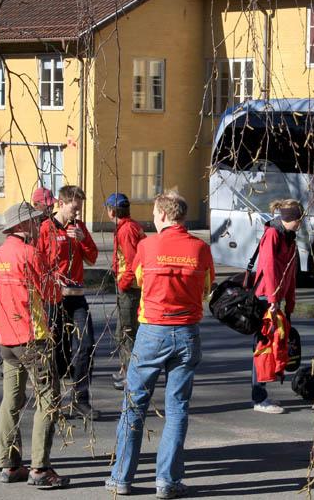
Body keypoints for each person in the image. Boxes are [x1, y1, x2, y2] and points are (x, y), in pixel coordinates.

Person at [106, 191, 214, 498]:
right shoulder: (200, 248)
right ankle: (167, 481)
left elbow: (134, 279)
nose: (152, 219)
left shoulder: (147, 245)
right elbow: (207, 285)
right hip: (187, 330)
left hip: (152, 330)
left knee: (134, 403)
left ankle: (121, 478)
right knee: (177, 407)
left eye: (154, 214)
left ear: (164, 215)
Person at [0, 202, 69, 488]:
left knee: (11, 401)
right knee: (48, 398)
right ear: (21, 226)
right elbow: (51, 294)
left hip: (6, 338)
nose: (38, 226)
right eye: (34, 222)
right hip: (32, 336)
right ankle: (40, 467)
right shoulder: (30, 254)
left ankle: (9, 464)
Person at [37, 185, 99, 420]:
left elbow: (92, 258)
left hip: (77, 297)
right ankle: (51, 400)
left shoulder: (80, 227)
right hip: (54, 298)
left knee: (86, 344)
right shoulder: (46, 228)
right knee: (56, 350)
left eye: (80, 209)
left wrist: (83, 240)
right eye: (74, 208)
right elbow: (38, 262)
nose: (77, 213)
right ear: (61, 204)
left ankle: (80, 399)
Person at [251, 199, 303, 414]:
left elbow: (290, 273)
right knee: (262, 347)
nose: (301, 223)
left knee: (270, 346)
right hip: (266, 297)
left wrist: (289, 303)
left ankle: (261, 394)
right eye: (299, 219)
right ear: (291, 218)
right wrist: (273, 300)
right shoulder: (273, 234)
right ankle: (259, 398)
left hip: (275, 299)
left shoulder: (289, 237)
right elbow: (269, 267)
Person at [105, 192, 145, 390]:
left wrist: (123, 284)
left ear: (112, 211)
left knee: (127, 332)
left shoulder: (126, 230)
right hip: (130, 285)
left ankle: (132, 376)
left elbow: (132, 261)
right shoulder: (130, 226)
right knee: (122, 330)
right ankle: (125, 369)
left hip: (129, 287)